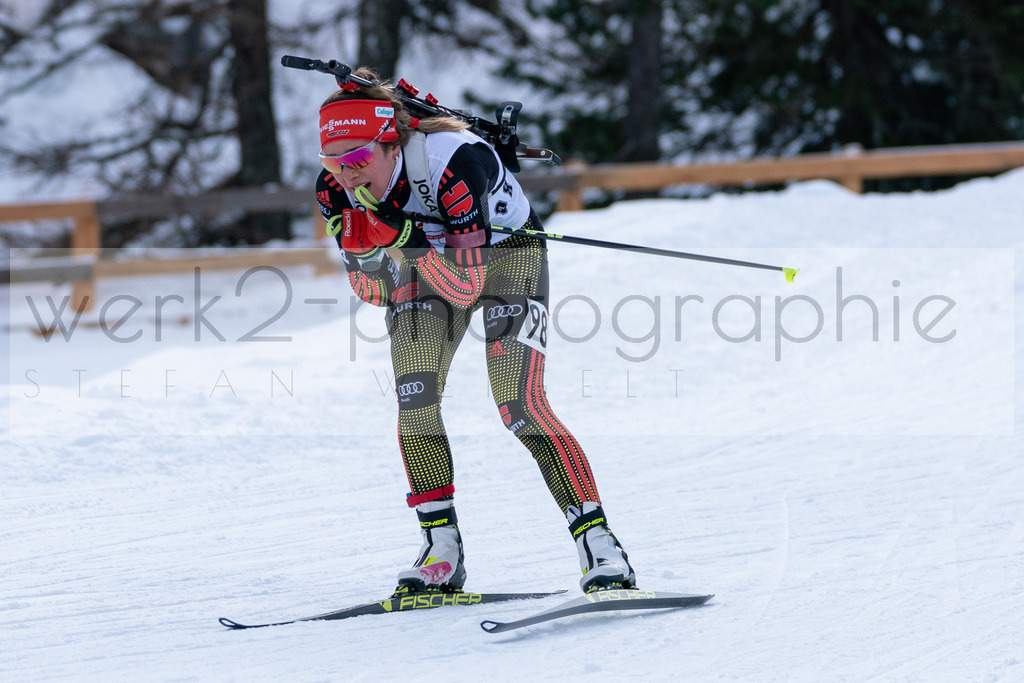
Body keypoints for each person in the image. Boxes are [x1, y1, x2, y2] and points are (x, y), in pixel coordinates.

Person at [314, 68, 636, 594]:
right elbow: (372, 292)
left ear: (391, 142)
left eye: (356, 160)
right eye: (332, 159)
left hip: (508, 260)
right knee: (415, 398)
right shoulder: (336, 188)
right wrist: (370, 252)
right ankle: (441, 549)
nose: (345, 175)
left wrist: (401, 234)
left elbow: (467, 286)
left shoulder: (455, 161)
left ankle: (600, 545)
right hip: (426, 267)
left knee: (520, 404)